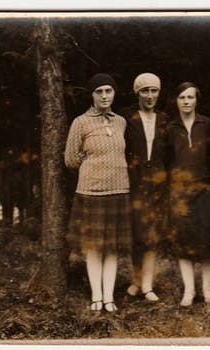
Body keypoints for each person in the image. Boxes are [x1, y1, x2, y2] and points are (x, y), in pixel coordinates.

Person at [65, 73, 132, 313]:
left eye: (108, 91)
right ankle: (96, 295)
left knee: (112, 248)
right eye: (99, 92)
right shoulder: (80, 122)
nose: (104, 96)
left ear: (114, 93)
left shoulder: (121, 122)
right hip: (91, 192)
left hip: (119, 191)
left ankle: (109, 297)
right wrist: (91, 162)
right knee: (93, 248)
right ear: (92, 96)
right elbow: (70, 159)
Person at [120, 73, 170, 302]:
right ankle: (136, 280)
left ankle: (147, 285)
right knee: (136, 233)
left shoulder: (165, 119)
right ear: (137, 93)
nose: (150, 96)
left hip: (158, 183)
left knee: (152, 234)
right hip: (134, 180)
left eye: (154, 91)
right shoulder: (127, 118)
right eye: (145, 91)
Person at [167, 82, 210, 306]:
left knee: (206, 242)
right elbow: (166, 161)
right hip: (179, 194)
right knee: (182, 242)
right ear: (176, 101)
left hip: (205, 192)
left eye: (190, 97)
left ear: (197, 100)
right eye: (182, 97)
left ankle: (207, 289)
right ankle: (189, 291)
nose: (186, 102)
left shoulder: (208, 125)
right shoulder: (170, 129)